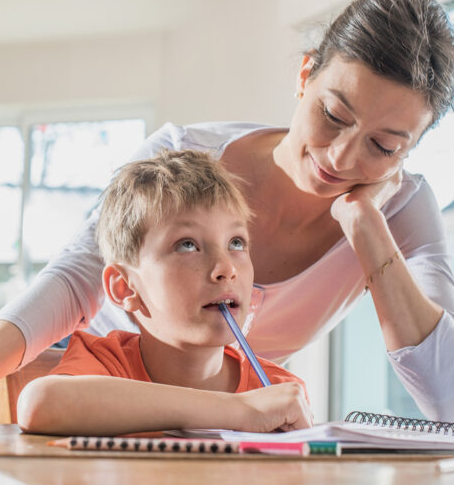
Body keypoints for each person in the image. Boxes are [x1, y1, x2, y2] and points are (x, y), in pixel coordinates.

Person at [0, 0, 454, 472]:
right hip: (104, 431)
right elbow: (75, 279)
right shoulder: (185, 156)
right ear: (306, 74)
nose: (344, 158)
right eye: (335, 114)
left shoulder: (399, 210)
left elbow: (452, 402)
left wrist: (368, 229)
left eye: (385, 144)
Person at [17, 149, 312, 435]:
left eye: (236, 242)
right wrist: (237, 411)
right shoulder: (105, 364)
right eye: (187, 245)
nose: (225, 268)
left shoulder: (277, 390)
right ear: (124, 287)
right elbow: (39, 404)